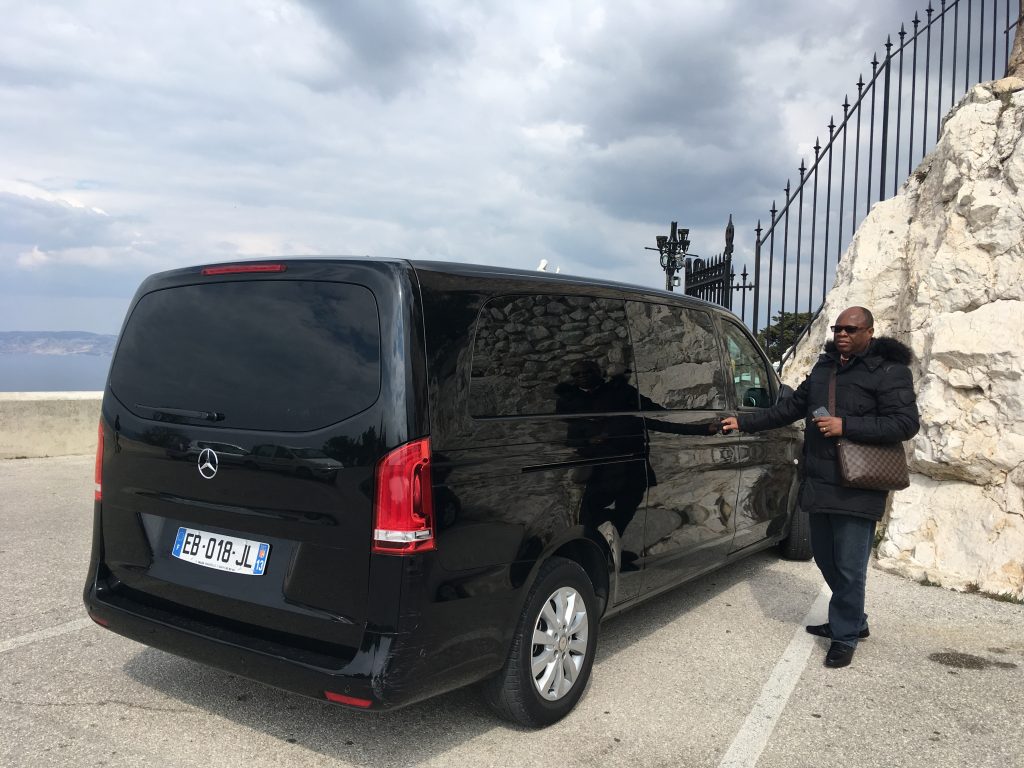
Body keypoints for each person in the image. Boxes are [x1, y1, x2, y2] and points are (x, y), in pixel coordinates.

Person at [721, 306, 919, 668]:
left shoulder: (891, 372)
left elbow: (905, 424)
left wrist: (847, 426)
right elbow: (791, 408)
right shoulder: (825, 368)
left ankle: (845, 636)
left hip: (859, 482)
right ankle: (854, 620)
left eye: (851, 329)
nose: (842, 334)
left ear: (869, 333)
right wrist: (744, 422)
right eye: (838, 328)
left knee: (849, 565)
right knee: (827, 559)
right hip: (820, 479)